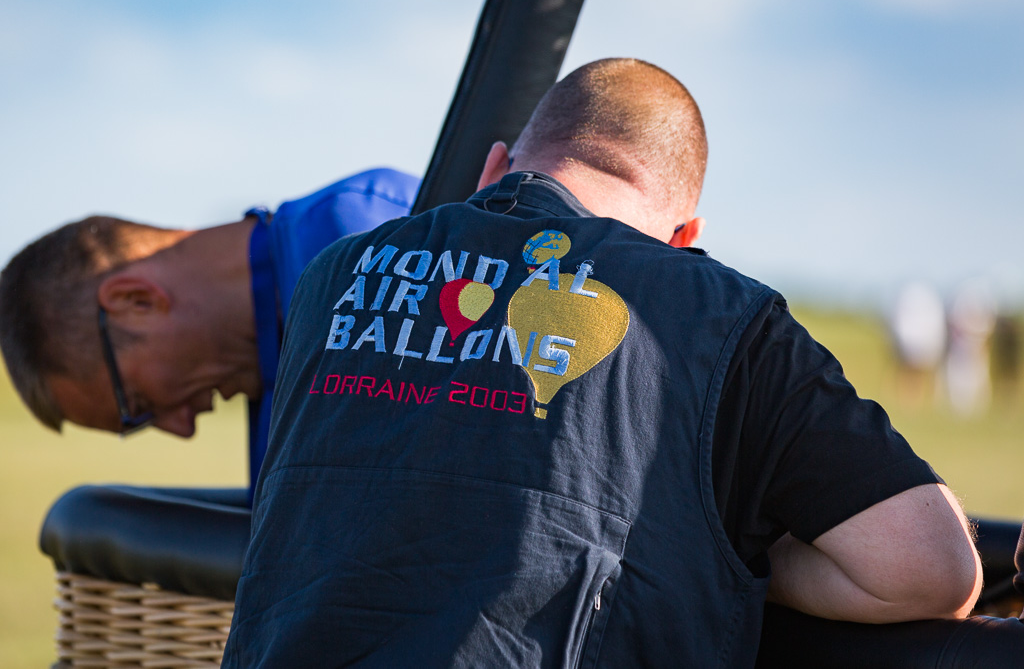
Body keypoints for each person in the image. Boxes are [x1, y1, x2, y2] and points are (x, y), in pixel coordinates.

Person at [222, 59, 981, 667]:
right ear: (685, 235)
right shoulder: (726, 317)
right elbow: (932, 569)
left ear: (493, 172)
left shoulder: (332, 276)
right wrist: (715, 548)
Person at [0, 168, 418, 492]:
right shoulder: (276, 381)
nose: (183, 428)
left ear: (136, 301)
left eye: (139, 404)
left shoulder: (380, 236)